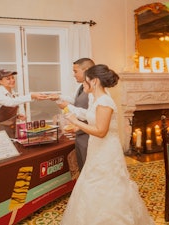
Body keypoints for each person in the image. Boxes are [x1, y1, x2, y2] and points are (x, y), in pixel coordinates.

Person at [61, 64, 154, 225]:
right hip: (97, 149)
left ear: (94, 81)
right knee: (92, 185)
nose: (83, 84)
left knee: (106, 186)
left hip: (106, 153)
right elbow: (94, 121)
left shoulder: (104, 101)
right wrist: (77, 127)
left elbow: (101, 131)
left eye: (86, 81)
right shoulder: (97, 99)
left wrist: (75, 121)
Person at [49, 58, 95, 170]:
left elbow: (90, 114)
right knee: (82, 165)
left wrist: (66, 107)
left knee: (88, 167)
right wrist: (59, 97)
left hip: (89, 134)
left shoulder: (94, 88)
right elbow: (75, 100)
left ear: (86, 70)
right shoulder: (81, 86)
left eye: (75, 71)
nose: (74, 75)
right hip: (79, 132)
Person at [0, 69, 47, 138]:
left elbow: (9, 106)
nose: (12, 80)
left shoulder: (13, 93)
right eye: (8, 79)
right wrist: (31, 96)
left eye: (13, 77)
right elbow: (10, 102)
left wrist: (17, 116)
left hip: (8, 127)